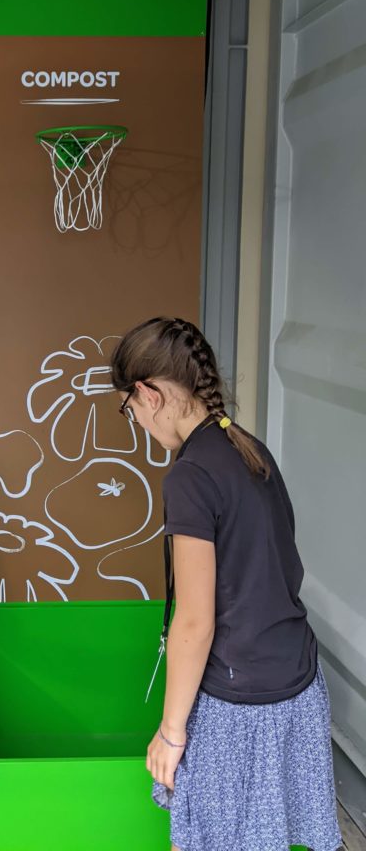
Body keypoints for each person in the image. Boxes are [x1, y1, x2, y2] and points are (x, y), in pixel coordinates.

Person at [110, 317, 341, 851]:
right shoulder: (247, 447)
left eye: (129, 409)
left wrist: (171, 732)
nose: (137, 422)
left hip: (240, 708)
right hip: (299, 685)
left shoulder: (190, 476)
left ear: (149, 394)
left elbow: (195, 620)